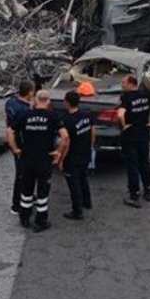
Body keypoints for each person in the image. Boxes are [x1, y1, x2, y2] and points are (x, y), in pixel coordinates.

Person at [7, 90, 68, 232]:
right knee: (42, 191)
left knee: (26, 189)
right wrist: (58, 151)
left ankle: (24, 217)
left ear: (35, 101)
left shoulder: (24, 115)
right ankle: (41, 221)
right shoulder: (53, 116)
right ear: (48, 101)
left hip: (27, 159)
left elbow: (10, 131)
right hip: (44, 160)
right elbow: (64, 136)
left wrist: (15, 149)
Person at [117, 73, 150, 208]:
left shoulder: (125, 97)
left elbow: (120, 114)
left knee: (132, 165)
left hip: (130, 134)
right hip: (143, 133)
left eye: (123, 82)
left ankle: (134, 194)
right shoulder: (146, 95)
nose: (121, 84)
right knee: (144, 162)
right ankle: (148, 189)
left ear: (130, 84)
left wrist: (124, 124)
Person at [59, 90, 95, 220]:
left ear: (67, 103)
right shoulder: (87, 115)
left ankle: (77, 210)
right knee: (83, 178)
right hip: (85, 153)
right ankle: (87, 202)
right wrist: (90, 146)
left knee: (73, 183)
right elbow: (93, 131)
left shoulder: (67, 121)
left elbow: (66, 142)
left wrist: (61, 159)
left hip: (72, 156)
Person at [4, 81, 34, 216]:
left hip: (12, 141)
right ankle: (16, 205)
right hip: (20, 145)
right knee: (22, 175)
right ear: (29, 92)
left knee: (21, 173)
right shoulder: (25, 111)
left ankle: (25, 196)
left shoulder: (10, 102)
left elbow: (8, 122)